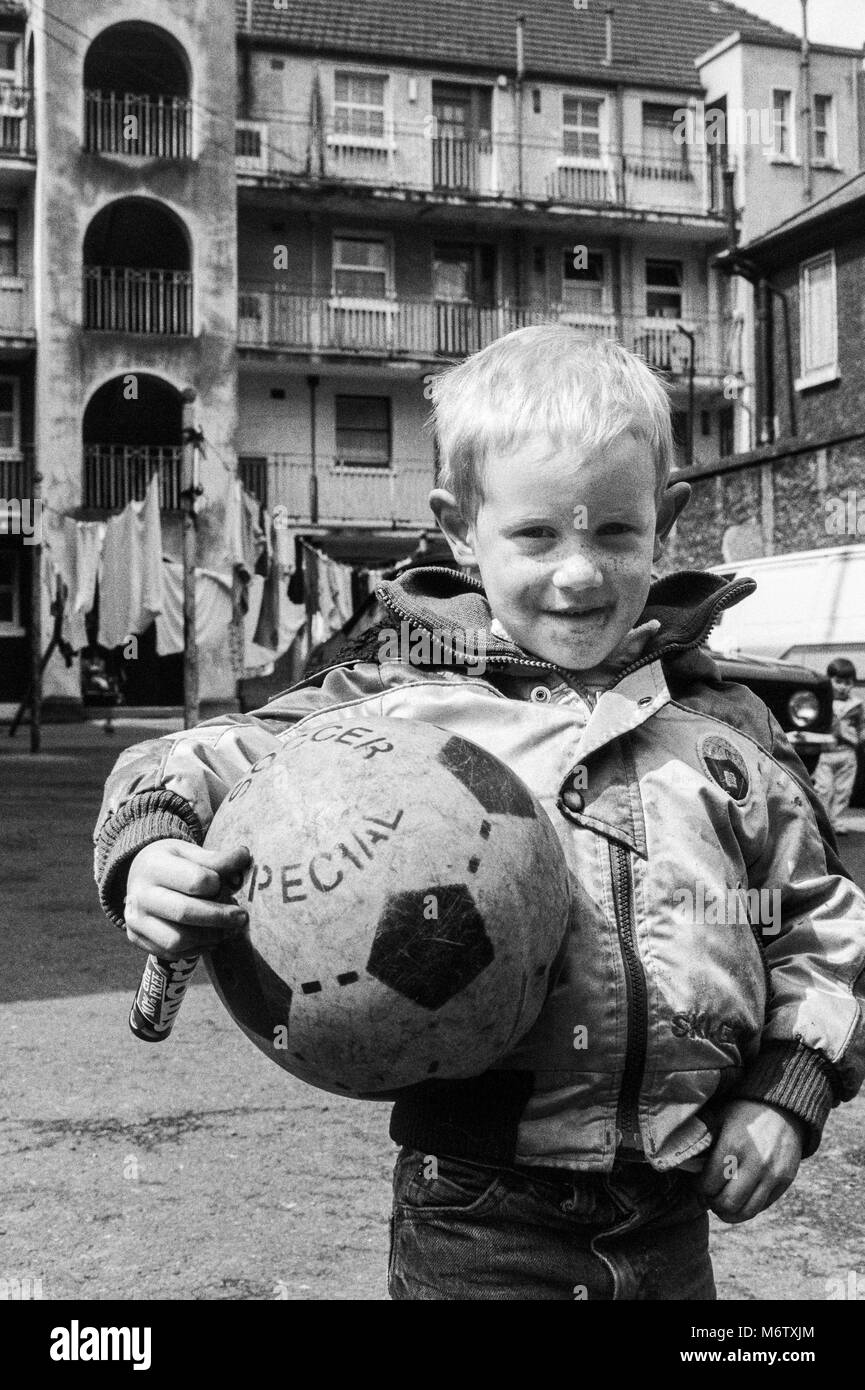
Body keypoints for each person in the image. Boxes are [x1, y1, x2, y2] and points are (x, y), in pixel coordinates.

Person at [93, 328, 865, 1301]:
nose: (578, 573)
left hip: (672, 1208)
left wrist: (787, 1089)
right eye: (536, 535)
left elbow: (821, 924)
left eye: (614, 533)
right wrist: (152, 849)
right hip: (476, 1211)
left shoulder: (727, 726)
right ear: (460, 527)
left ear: (664, 521)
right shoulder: (399, 705)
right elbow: (184, 762)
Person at [813, 657, 863, 836]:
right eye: (838, 682)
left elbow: (861, 726)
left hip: (847, 754)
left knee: (843, 790)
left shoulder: (856, 705)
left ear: (853, 684)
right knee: (824, 788)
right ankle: (822, 821)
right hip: (826, 753)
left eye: (848, 682)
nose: (843, 686)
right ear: (830, 681)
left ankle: (836, 820)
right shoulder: (824, 702)